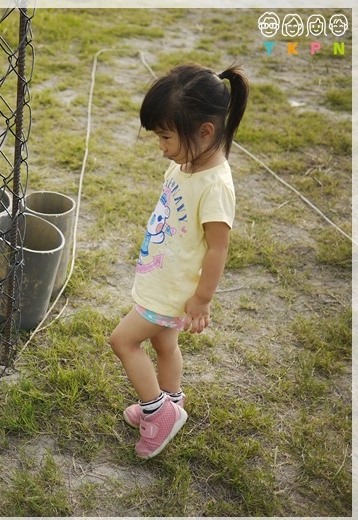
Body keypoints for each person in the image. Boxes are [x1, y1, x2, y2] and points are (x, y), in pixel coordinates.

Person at [110, 63, 249, 459]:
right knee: (164, 345)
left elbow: (219, 248)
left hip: (174, 290)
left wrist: (202, 299)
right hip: (164, 276)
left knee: (122, 341)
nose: (162, 147)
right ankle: (170, 401)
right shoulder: (185, 163)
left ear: (205, 130)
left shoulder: (216, 186)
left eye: (167, 137)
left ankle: (158, 414)